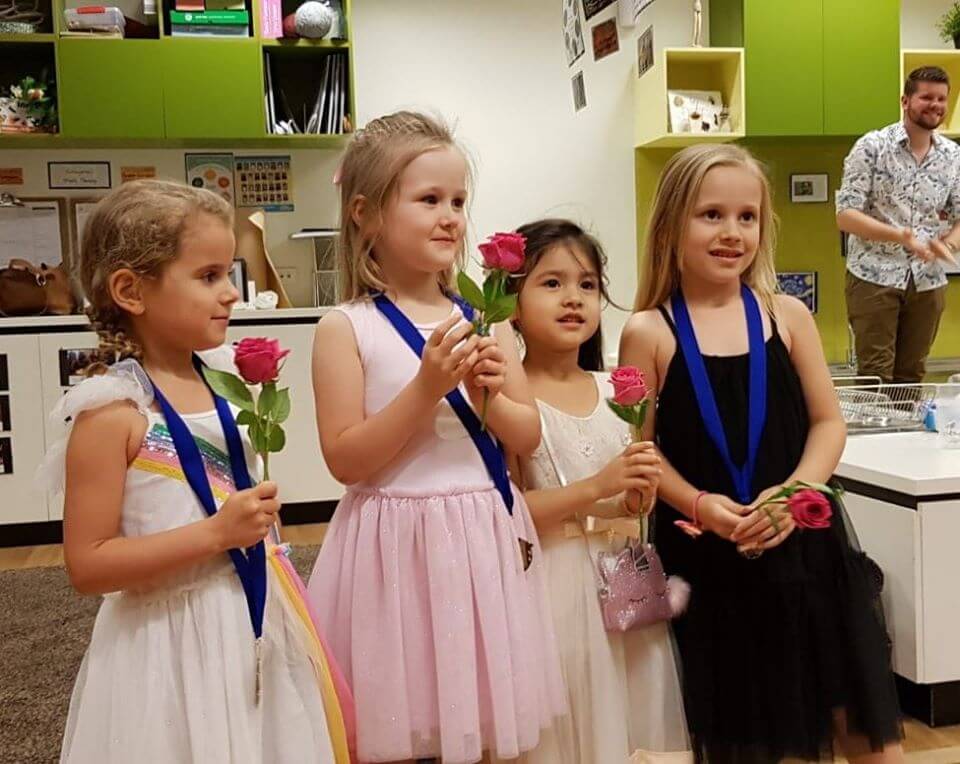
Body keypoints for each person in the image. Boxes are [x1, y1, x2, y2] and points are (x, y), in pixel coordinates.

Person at [41, 180, 348, 763]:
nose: (232, 293)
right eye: (209, 276)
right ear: (131, 290)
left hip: (250, 614)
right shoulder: (112, 412)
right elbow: (88, 565)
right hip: (167, 644)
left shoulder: (224, 379)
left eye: (228, 273)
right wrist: (214, 534)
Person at [622, 144, 904, 763]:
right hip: (707, 553)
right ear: (671, 224)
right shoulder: (646, 331)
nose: (732, 232)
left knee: (855, 718)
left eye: (746, 217)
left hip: (803, 540)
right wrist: (699, 502)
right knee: (747, 732)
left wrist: (794, 492)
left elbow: (829, 424)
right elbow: (638, 449)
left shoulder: (789, 316)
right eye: (711, 215)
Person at [306, 111, 565, 764]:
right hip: (394, 544)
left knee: (478, 712)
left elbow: (528, 434)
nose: (450, 216)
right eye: (428, 200)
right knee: (404, 711)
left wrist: (489, 395)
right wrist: (424, 390)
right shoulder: (346, 327)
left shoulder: (486, 317)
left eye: (458, 201)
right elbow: (345, 458)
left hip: (481, 534)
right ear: (365, 214)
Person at [505, 217, 690, 763]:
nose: (574, 299)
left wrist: (637, 496)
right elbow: (509, 513)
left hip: (625, 586)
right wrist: (596, 487)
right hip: (554, 589)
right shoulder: (511, 403)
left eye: (587, 285)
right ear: (513, 303)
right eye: (552, 283)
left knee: (635, 717)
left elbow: (634, 493)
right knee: (573, 726)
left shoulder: (619, 390)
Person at [837, 66, 960, 382]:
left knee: (913, 372)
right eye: (926, 97)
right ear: (905, 101)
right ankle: (877, 433)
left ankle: (908, 432)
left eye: (941, 99)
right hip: (874, 276)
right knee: (875, 374)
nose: (935, 105)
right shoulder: (872, 147)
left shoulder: (952, 155)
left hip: (928, 282)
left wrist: (948, 244)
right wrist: (899, 235)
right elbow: (846, 215)